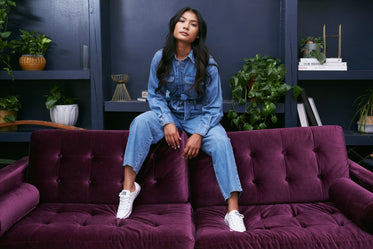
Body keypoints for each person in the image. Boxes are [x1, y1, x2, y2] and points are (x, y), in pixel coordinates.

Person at [116, 6, 246, 232]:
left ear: (198, 34)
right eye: (182, 21)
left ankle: (233, 211)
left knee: (222, 142)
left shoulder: (208, 64)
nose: (186, 26)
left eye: (193, 24)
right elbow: (154, 95)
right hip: (170, 114)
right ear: (174, 26)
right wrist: (167, 121)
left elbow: (215, 108)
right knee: (140, 122)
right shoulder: (160, 58)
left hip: (200, 117)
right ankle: (129, 189)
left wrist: (198, 135)